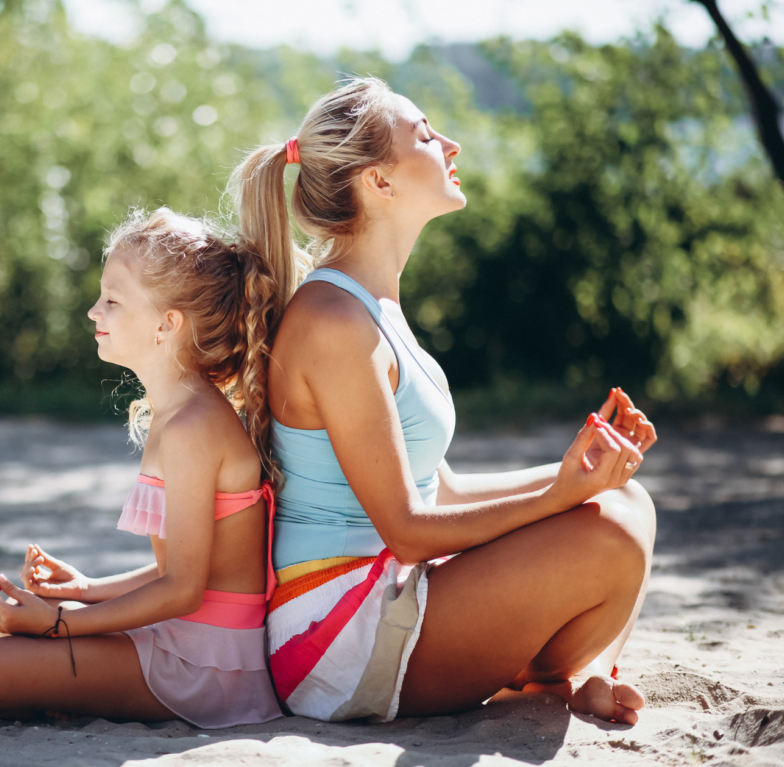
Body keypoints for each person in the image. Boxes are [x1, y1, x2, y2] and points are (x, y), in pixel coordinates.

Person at [228, 77, 658, 725]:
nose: (451, 144)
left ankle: (582, 671)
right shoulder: (334, 322)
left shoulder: (372, 305)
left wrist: (585, 476)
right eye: (426, 135)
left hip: (388, 592)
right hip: (336, 638)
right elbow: (407, 531)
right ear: (379, 181)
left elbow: (441, 492)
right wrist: (557, 496)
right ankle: (555, 673)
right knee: (610, 537)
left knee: (628, 499)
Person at [0, 208, 286, 727]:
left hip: (208, 666)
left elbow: (184, 588)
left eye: (112, 300)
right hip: (185, 639)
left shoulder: (193, 427)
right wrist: (84, 590)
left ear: (166, 324)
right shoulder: (178, 414)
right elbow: (187, 568)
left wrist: (58, 622)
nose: (93, 311)